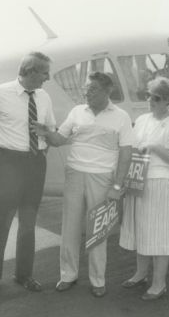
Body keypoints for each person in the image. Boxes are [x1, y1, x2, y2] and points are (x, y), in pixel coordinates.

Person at [34, 72, 133, 297]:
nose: (86, 93)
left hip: (102, 177)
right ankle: (67, 275)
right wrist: (46, 133)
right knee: (70, 226)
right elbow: (60, 140)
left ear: (108, 91)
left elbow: (126, 153)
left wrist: (117, 187)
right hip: (75, 174)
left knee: (98, 229)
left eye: (93, 89)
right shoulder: (77, 111)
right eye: (85, 88)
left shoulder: (121, 117)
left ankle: (98, 280)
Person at [0, 52, 56, 295]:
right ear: (31, 71)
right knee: (1, 221)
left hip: (35, 162)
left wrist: (45, 135)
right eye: (44, 72)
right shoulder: (0, 93)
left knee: (28, 222)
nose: (48, 77)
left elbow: (50, 128)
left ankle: (24, 275)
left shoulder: (44, 97)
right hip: (8, 163)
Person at [119, 77, 169, 300]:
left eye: (156, 98)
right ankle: (140, 273)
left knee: (158, 231)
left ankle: (159, 283)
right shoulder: (143, 119)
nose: (150, 101)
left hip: (159, 180)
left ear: (167, 100)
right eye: (148, 95)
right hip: (138, 178)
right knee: (141, 228)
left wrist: (155, 147)